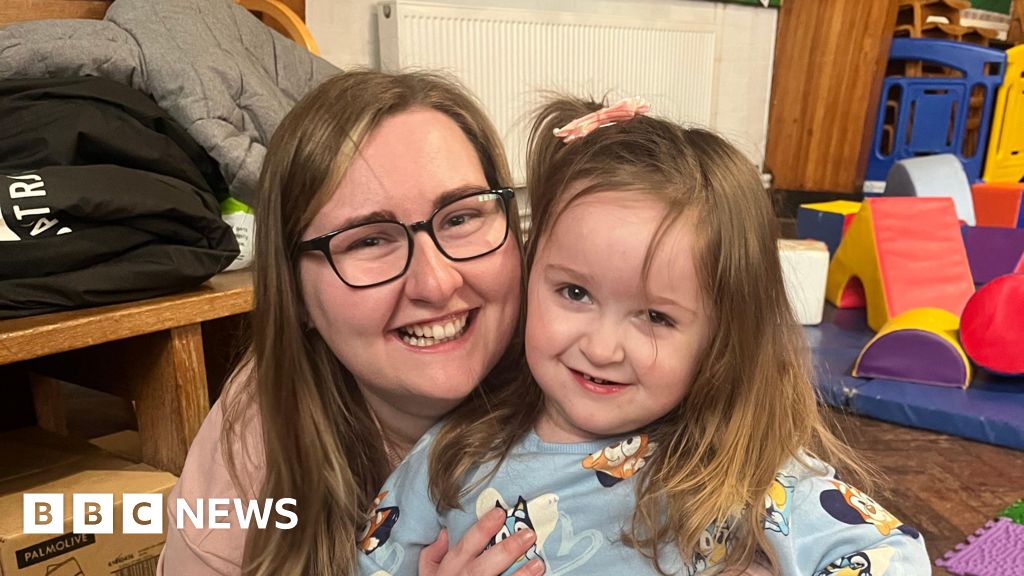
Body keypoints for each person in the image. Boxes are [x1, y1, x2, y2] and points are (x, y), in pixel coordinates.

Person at [356, 96, 931, 576]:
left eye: (656, 317)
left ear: (721, 340)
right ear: (530, 274)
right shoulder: (453, 454)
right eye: (574, 293)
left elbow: (893, 557)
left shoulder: (744, 469)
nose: (602, 348)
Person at [157, 70, 542, 576]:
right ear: (295, 294)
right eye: (368, 240)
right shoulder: (259, 434)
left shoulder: (591, 365)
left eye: (460, 217)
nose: (436, 283)